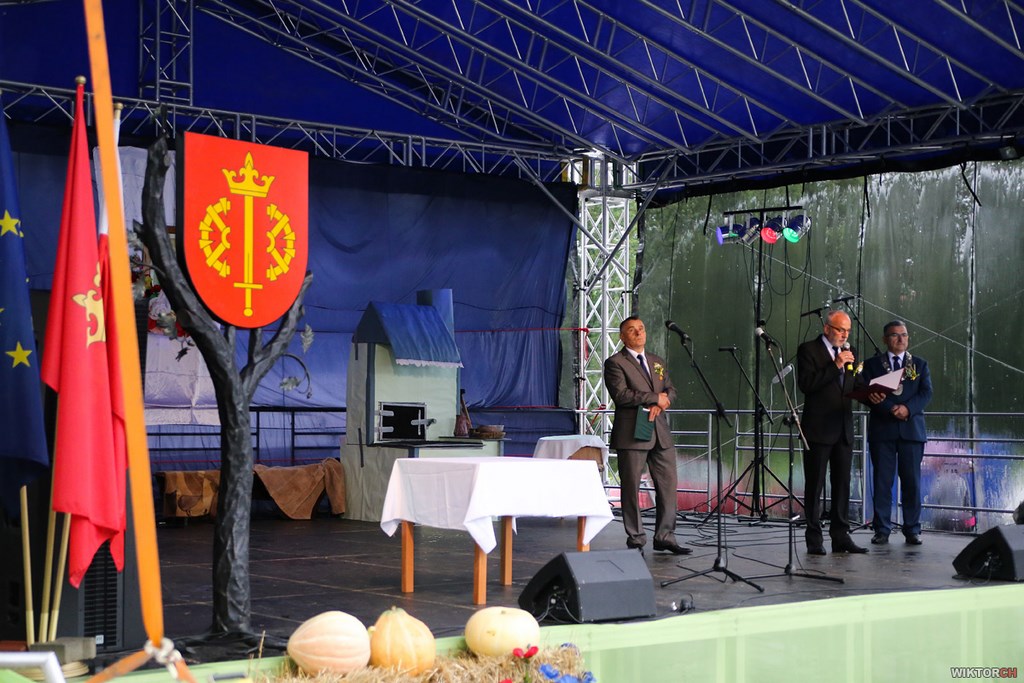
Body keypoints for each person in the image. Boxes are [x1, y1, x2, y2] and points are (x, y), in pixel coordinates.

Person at [604, 316, 690, 556]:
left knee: (668, 485)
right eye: (632, 330)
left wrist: (662, 402)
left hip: (659, 431)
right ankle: (636, 538)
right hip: (633, 432)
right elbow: (621, 395)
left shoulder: (656, 360)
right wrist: (654, 399)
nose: (638, 333)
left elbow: (670, 389)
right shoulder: (615, 363)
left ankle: (665, 536)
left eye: (641, 328)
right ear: (623, 337)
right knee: (631, 487)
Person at [796, 309, 868, 554]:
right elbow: (807, 384)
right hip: (818, 428)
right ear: (827, 328)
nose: (844, 335)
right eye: (840, 330)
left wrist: (873, 394)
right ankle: (814, 539)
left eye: (848, 331)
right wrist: (836, 365)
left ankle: (841, 536)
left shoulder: (851, 352)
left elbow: (855, 384)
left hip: (843, 429)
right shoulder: (809, 350)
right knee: (815, 485)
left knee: (842, 484)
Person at [862, 320, 933, 545]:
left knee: (912, 482)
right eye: (895, 335)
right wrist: (891, 408)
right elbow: (867, 393)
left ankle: (912, 529)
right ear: (885, 339)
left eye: (904, 334)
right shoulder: (872, 365)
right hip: (883, 431)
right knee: (882, 482)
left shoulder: (919, 365)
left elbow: (926, 393)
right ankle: (882, 529)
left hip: (911, 431)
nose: (901, 339)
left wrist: (907, 409)